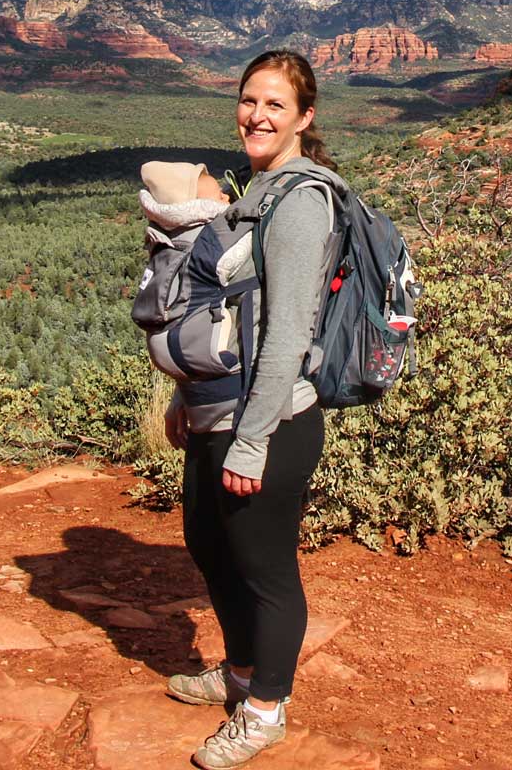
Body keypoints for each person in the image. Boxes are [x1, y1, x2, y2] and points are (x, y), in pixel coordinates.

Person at [163, 49, 338, 770]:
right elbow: (225, 309)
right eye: (249, 101)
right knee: (208, 541)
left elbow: (289, 334)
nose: (257, 116)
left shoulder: (301, 201)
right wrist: (185, 394)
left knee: (264, 567)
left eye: (274, 105)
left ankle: (265, 708)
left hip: (273, 421)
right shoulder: (256, 190)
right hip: (220, 409)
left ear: (304, 118)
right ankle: (237, 674)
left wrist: (250, 442)